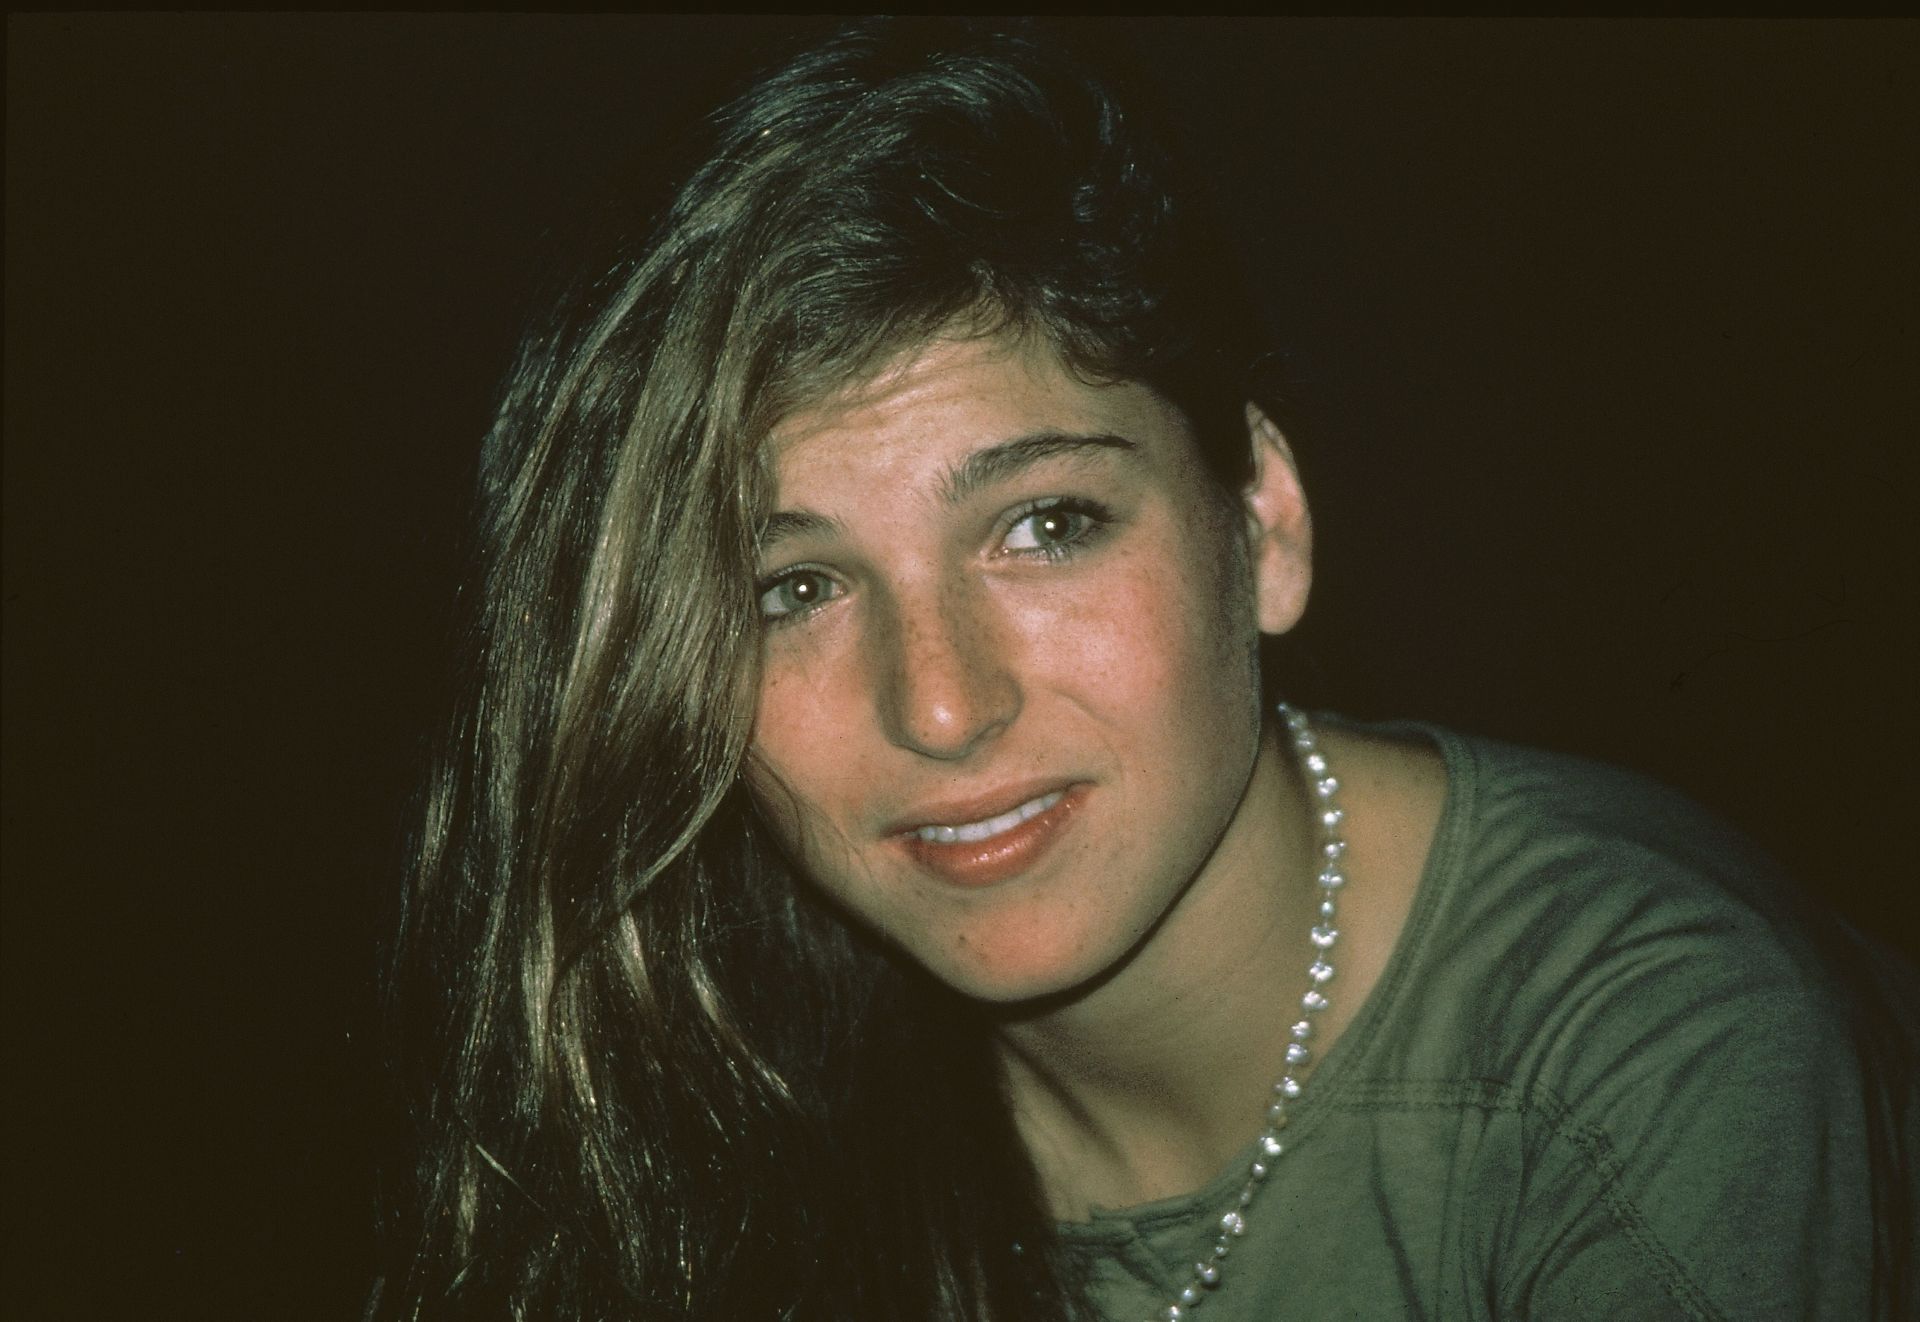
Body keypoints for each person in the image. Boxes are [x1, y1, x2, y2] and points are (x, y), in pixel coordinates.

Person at [371, 18, 1913, 1321]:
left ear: (1268, 521)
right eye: (794, 587)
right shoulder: (726, 1082)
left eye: (1048, 523)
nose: (943, 703)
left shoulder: (1660, 1068)